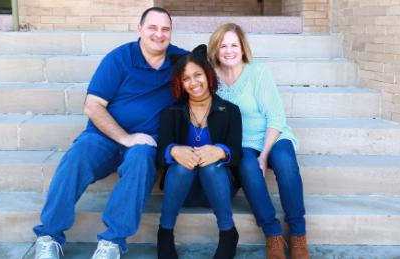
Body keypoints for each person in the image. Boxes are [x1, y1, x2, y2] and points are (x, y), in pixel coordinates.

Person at [32, 7, 186, 259]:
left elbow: (206, 74)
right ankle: (49, 236)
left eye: (165, 29)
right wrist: (125, 137)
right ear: (139, 29)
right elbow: (92, 105)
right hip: (104, 136)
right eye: (152, 28)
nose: (159, 34)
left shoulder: (180, 61)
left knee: (140, 158)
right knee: (78, 155)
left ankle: (111, 243)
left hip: (145, 141)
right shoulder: (120, 58)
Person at [208, 23, 310, 259]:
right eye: (223, 45)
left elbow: (275, 116)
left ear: (243, 48)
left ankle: (298, 234)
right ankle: (272, 234)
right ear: (215, 49)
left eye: (234, 44)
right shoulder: (211, 79)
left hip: (273, 134)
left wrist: (264, 154)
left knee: (284, 161)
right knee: (246, 165)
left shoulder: (258, 71)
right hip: (241, 142)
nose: (229, 50)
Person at [156, 45, 243, 259]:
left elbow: (237, 154)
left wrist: (220, 151)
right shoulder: (171, 112)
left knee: (211, 168)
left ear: (208, 74)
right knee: (181, 168)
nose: (193, 83)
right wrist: (174, 151)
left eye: (198, 75)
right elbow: (159, 155)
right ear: (180, 84)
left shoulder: (230, 111)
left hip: (217, 190)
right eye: (186, 79)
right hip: (182, 191)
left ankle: (228, 232)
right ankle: (164, 233)